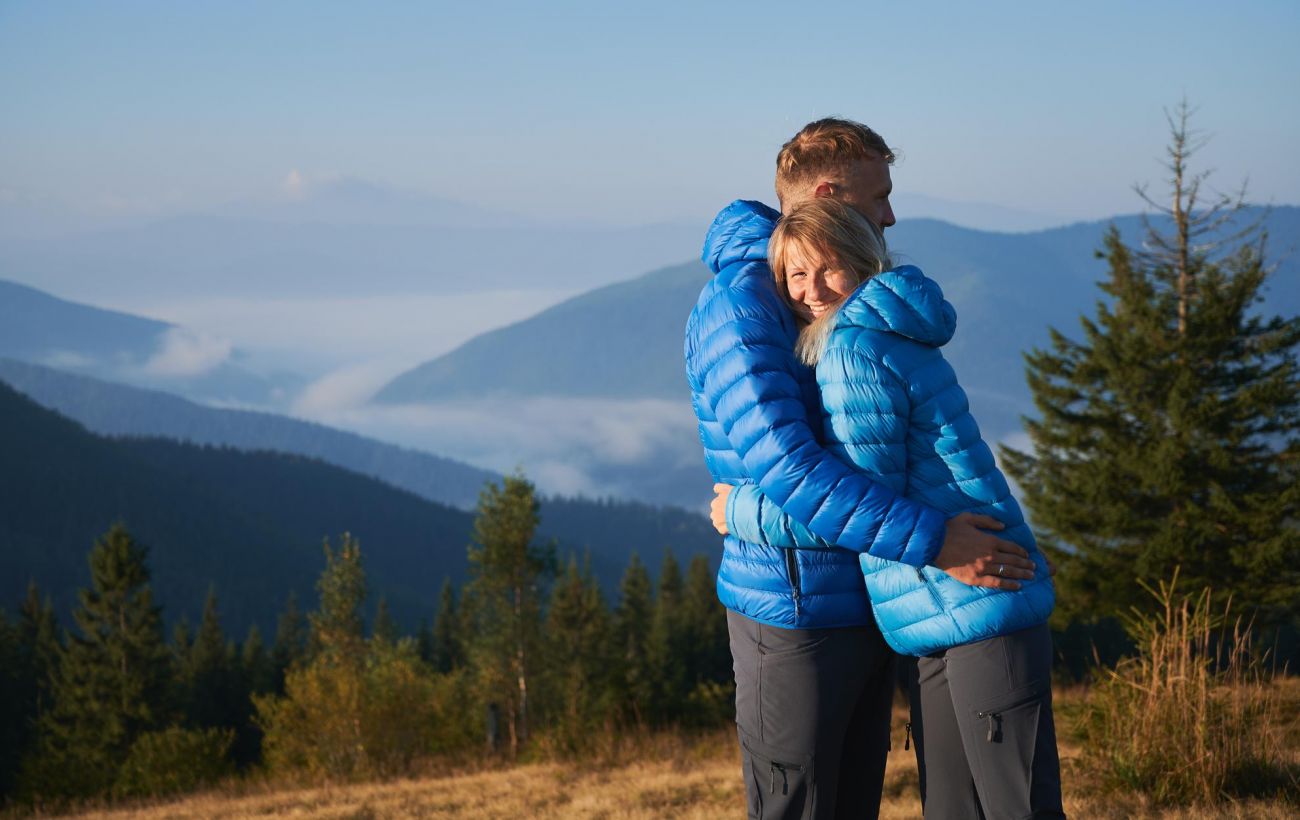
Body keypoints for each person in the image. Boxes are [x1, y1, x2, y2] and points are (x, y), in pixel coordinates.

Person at [684, 118, 1038, 819]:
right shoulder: (744, 304)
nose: (890, 214)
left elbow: (875, 456)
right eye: (879, 196)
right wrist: (937, 541)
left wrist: (743, 509)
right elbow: (791, 469)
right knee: (800, 803)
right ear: (827, 195)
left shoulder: (831, 305)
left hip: (865, 592)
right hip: (795, 609)